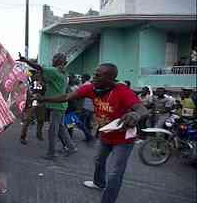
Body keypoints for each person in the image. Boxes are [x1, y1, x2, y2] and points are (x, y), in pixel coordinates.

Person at [35, 63, 148, 203]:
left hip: (123, 139)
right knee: (99, 161)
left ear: (110, 78)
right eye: (95, 74)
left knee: (114, 174)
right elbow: (66, 97)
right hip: (105, 134)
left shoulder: (122, 91)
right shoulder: (90, 88)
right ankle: (99, 183)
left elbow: (142, 109)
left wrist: (136, 115)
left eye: (98, 75)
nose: (94, 77)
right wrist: (44, 99)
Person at [18, 53, 77, 160]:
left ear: (60, 60)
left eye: (54, 58)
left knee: (53, 131)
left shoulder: (54, 71)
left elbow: (39, 67)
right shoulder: (63, 72)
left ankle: (52, 153)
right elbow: (47, 82)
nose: (52, 60)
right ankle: (71, 147)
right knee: (60, 129)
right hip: (60, 105)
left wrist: (26, 60)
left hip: (57, 106)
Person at [20, 70, 46, 145]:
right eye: (37, 73)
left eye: (39, 73)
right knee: (28, 120)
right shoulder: (32, 82)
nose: (38, 75)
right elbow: (30, 92)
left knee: (40, 120)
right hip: (34, 102)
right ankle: (23, 137)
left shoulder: (42, 82)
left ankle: (38, 134)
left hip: (40, 102)